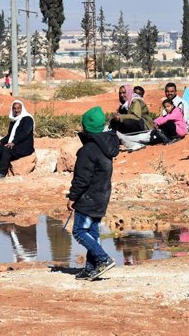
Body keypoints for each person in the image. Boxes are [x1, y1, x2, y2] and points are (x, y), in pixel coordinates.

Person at [67, 106, 120, 281]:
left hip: (88, 198)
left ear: (86, 127)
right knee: (92, 232)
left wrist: (72, 197)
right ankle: (91, 267)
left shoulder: (88, 150)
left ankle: (103, 258)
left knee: (79, 231)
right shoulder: (106, 145)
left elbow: (81, 178)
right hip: (101, 196)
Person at [0, 100, 35, 179]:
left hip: (24, 146)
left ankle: (1, 172)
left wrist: (13, 142)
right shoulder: (14, 120)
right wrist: (0, 142)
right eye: (14, 108)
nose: (16, 110)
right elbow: (9, 135)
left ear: (22, 108)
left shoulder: (27, 119)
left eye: (18, 108)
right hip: (15, 143)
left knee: (6, 149)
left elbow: (25, 133)